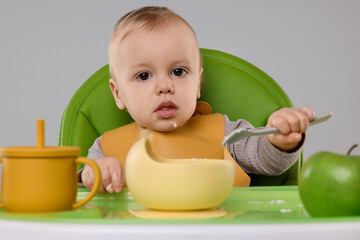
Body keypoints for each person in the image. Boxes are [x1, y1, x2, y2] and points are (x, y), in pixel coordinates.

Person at [79, 6, 314, 193]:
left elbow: (269, 163)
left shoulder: (225, 134)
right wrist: (93, 175)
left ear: (198, 84)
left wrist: (280, 138)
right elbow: (80, 186)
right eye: (144, 76)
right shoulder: (106, 148)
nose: (165, 87)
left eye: (178, 72)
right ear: (118, 93)